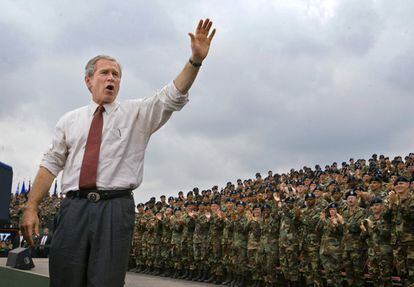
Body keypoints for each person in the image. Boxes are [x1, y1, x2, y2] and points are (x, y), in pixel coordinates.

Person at [20, 18, 216, 287]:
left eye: (116, 74)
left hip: (114, 209)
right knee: (64, 279)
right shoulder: (69, 121)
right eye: (105, 73)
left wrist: (195, 61)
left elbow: (171, 95)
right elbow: (50, 164)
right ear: (89, 81)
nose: (112, 78)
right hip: (73, 210)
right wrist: (32, 206)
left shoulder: (136, 114)